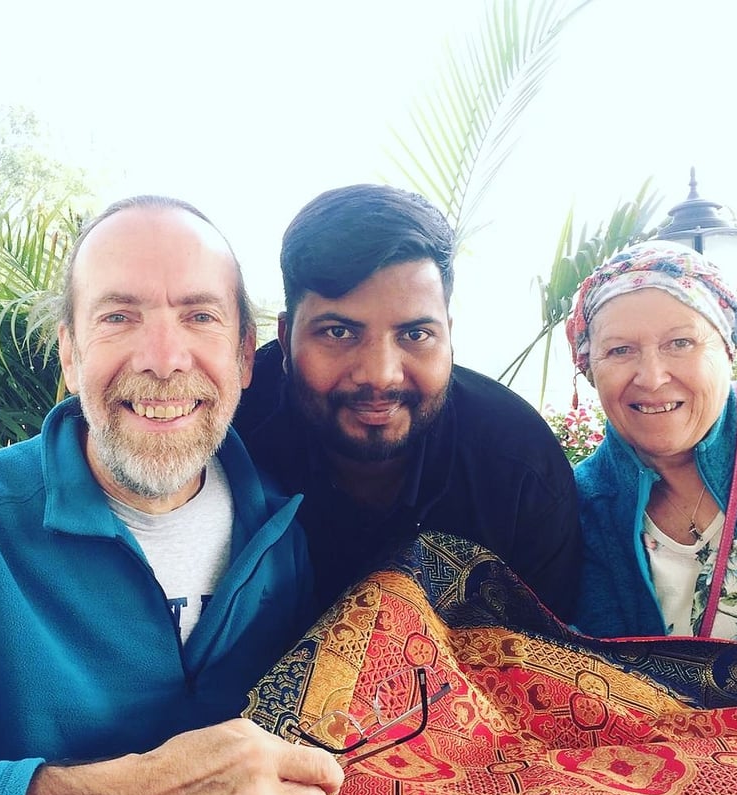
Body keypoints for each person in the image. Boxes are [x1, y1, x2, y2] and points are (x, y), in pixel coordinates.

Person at [0, 195, 344, 795]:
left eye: (200, 316)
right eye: (119, 317)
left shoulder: (283, 533)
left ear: (244, 355)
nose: (163, 358)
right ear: (69, 351)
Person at [233, 184, 581, 618]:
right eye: (339, 332)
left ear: (448, 335)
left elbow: (553, 661)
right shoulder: (229, 433)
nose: (380, 374)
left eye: (415, 334)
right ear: (285, 340)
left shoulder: (518, 467)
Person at [565, 239, 737, 639]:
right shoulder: (584, 505)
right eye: (619, 350)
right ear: (589, 368)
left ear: (730, 346)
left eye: (680, 343)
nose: (651, 378)